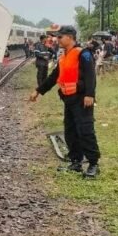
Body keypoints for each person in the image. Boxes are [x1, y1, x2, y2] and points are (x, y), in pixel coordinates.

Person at [30, 26, 100, 178]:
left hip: (82, 99)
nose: (57, 40)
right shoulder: (63, 56)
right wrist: (38, 91)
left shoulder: (83, 53)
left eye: (60, 37)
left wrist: (90, 94)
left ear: (70, 37)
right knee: (71, 131)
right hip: (69, 99)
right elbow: (53, 77)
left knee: (85, 131)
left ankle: (94, 164)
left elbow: (90, 76)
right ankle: (76, 161)